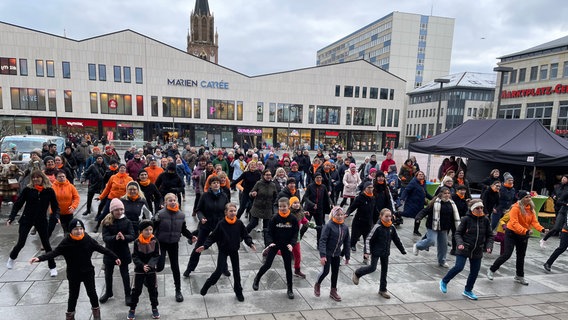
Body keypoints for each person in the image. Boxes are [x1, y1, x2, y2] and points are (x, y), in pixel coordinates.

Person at [30, 219, 120, 320]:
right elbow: (54, 253)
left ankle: (96, 315)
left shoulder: (87, 239)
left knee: (92, 293)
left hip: (88, 272)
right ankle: (70, 316)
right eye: (76, 229)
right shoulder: (66, 241)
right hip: (73, 274)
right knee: (73, 295)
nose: (79, 231)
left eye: (81, 229)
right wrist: (39, 258)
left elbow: (102, 249)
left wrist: (115, 257)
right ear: (71, 230)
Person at [197, 202, 256, 302]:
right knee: (219, 270)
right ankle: (208, 284)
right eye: (230, 211)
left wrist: (250, 243)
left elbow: (245, 235)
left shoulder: (239, 223)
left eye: (234, 211)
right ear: (226, 212)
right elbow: (212, 237)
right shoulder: (221, 224)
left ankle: (238, 291)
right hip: (223, 250)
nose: (233, 213)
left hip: (234, 250)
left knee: (237, 272)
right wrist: (205, 246)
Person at [487, 190, 548, 285]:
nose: (529, 199)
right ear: (521, 199)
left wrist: (542, 229)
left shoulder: (531, 208)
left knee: (521, 256)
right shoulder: (515, 208)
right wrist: (526, 231)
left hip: (523, 235)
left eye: (529, 197)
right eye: (526, 197)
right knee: (507, 254)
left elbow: (534, 222)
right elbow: (514, 223)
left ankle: (519, 276)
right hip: (511, 233)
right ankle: (491, 269)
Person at [6, 170, 59, 276]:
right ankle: (12, 257)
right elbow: (18, 204)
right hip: (27, 219)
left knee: (46, 245)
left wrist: (56, 216)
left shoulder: (49, 190)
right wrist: (11, 217)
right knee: (21, 243)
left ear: (42, 178)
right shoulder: (28, 190)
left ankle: (52, 267)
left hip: (41, 220)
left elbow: (55, 206)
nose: (35, 179)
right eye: (33, 178)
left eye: (37, 177)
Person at [439, 200, 493, 300]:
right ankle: (444, 281)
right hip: (464, 248)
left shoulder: (485, 220)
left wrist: (489, 246)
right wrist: (460, 243)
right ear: (472, 209)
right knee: (459, 267)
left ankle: (468, 290)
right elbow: (458, 233)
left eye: (481, 207)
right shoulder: (466, 219)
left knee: (475, 271)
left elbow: (490, 235)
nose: (480, 210)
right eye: (477, 208)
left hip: (477, 249)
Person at [352, 208, 406, 299]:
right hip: (376, 251)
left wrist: (402, 250)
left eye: (390, 216)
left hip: (385, 252)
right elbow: (368, 239)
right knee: (372, 268)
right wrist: (367, 252)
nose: (388, 218)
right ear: (381, 216)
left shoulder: (391, 227)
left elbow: (396, 239)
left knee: (384, 271)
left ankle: (383, 289)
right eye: (386, 216)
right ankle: (358, 273)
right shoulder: (377, 227)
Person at [252, 197, 299, 300]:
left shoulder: (293, 219)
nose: (282, 208)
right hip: (275, 244)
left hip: (287, 246)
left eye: (284, 206)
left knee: (288, 268)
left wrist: (292, 244)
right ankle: (257, 278)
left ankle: (290, 289)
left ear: (288, 206)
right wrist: (270, 243)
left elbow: (295, 233)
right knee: (267, 264)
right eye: (280, 206)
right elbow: (268, 232)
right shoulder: (275, 218)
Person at [153, 193, 196, 302]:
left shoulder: (181, 215)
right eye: (170, 200)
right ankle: (147, 277)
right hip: (161, 243)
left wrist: (191, 236)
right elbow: (152, 227)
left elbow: (183, 229)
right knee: (160, 266)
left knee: (175, 267)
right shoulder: (160, 214)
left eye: (174, 200)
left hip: (173, 243)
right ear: (165, 202)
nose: (172, 202)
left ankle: (178, 290)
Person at [184, 176, 229, 277]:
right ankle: (189, 269)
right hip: (206, 225)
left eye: (218, 182)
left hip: (219, 225)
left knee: (222, 248)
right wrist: (201, 218)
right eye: (214, 183)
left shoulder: (224, 196)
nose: (216, 184)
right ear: (210, 185)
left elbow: (227, 210)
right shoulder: (205, 196)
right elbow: (198, 210)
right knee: (198, 246)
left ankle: (223, 268)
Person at [412, 186, 461, 268]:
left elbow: (453, 218)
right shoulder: (435, 203)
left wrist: (458, 227)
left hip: (444, 227)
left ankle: (442, 261)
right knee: (431, 240)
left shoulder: (452, 204)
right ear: (440, 194)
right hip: (432, 226)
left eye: (448, 193)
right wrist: (418, 217)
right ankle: (418, 245)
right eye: (445, 193)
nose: (447, 195)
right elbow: (425, 211)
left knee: (443, 245)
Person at [99, 198, 135, 305]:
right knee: (108, 274)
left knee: (125, 274)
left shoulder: (127, 222)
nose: (119, 212)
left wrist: (124, 237)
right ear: (112, 211)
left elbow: (132, 235)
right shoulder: (107, 222)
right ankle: (108, 292)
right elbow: (105, 238)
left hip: (123, 252)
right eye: (117, 210)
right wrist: (115, 237)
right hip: (110, 252)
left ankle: (127, 294)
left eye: (121, 209)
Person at [315, 206, 350, 301]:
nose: (339, 216)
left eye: (341, 215)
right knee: (325, 271)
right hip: (327, 253)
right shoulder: (329, 225)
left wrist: (347, 256)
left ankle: (333, 291)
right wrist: (323, 255)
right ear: (333, 215)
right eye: (337, 215)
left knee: (335, 272)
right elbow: (322, 241)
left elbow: (347, 243)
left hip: (337, 254)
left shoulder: (345, 227)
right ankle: (318, 283)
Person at [128, 220, 161, 320]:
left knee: (153, 289)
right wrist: (142, 265)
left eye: (151, 229)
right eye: (146, 230)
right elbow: (135, 256)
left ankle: (154, 307)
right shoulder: (137, 242)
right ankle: (132, 309)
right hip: (139, 270)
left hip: (151, 270)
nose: (149, 232)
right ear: (141, 231)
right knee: (136, 290)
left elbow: (156, 255)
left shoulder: (155, 240)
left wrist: (150, 265)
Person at [246, 169, 278, 245]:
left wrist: (272, 203)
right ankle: (242, 235)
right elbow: (250, 193)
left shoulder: (273, 185)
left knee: (266, 227)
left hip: (267, 208)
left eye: (269, 175)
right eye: (266, 175)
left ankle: (267, 244)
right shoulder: (259, 183)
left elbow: (275, 195)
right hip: (257, 207)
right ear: (263, 176)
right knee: (253, 223)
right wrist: (252, 194)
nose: (268, 176)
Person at [346, 181, 376, 262]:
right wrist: (347, 213)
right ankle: (352, 246)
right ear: (365, 189)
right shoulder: (360, 197)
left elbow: (375, 210)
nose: (370, 189)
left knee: (367, 240)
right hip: (358, 222)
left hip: (368, 223)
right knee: (354, 237)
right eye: (368, 188)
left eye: (371, 188)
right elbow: (352, 207)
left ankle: (366, 255)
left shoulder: (373, 198)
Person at [302, 172, 332, 245]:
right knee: (305, 226)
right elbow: (305, 197)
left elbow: (327, 197)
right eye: (317, 178)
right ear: (314, 179)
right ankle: (298, 240)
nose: (319, 179)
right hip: (309, 209)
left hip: (319, 210)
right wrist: (312, 204)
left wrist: (332, 204)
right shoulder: (310, 186)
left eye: (320, 177)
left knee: (320, 227)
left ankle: (319, 243)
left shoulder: (323, 187)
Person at [48, 169, 80, 237]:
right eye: (59, 177)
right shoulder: (52, 187)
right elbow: (48, 200)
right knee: (49, 228)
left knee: (68, 229)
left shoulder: (71, 186)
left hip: (68, 212)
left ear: (65, 177)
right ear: (56, 178)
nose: (62, 178)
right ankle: (44, 242)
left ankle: (68, 242)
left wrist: (73, 206)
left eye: (63, 176)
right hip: (55, 212)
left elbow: (76, 197)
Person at [401, 171, 431, 236]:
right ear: (416, 176)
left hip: (420, 204)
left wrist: (433, 198)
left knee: (418, 217)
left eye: (422, 174)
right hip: (412, 203)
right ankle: (397, 214)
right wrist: (402, 198)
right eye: (419, 174)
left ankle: (416, 231)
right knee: (407, 214)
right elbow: (406, 190)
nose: (421, 175)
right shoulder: (413, 182)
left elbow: (425, 193)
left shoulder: (423, 183)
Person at [541, 175, 568, 248]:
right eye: (563, 178)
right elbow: (556, 197)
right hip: (561, 209)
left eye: (565, 178)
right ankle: (544, 239)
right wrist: (554, 197)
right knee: (557, 227)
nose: (563, 179)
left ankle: (565, 243)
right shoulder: (558, 187)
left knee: (565, 228)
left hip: (564, 209)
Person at [288, 196, 308, 278]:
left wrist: (316, 227)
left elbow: (305, 222)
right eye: (294, 203)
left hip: (296, 238)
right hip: (288, 237)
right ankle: (272, 250)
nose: (296, 204)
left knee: (297, 255)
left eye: (298, 203)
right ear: (290, 205)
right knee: (284, 252)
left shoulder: (301, 213)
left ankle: (297, 270)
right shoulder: (288, 214)